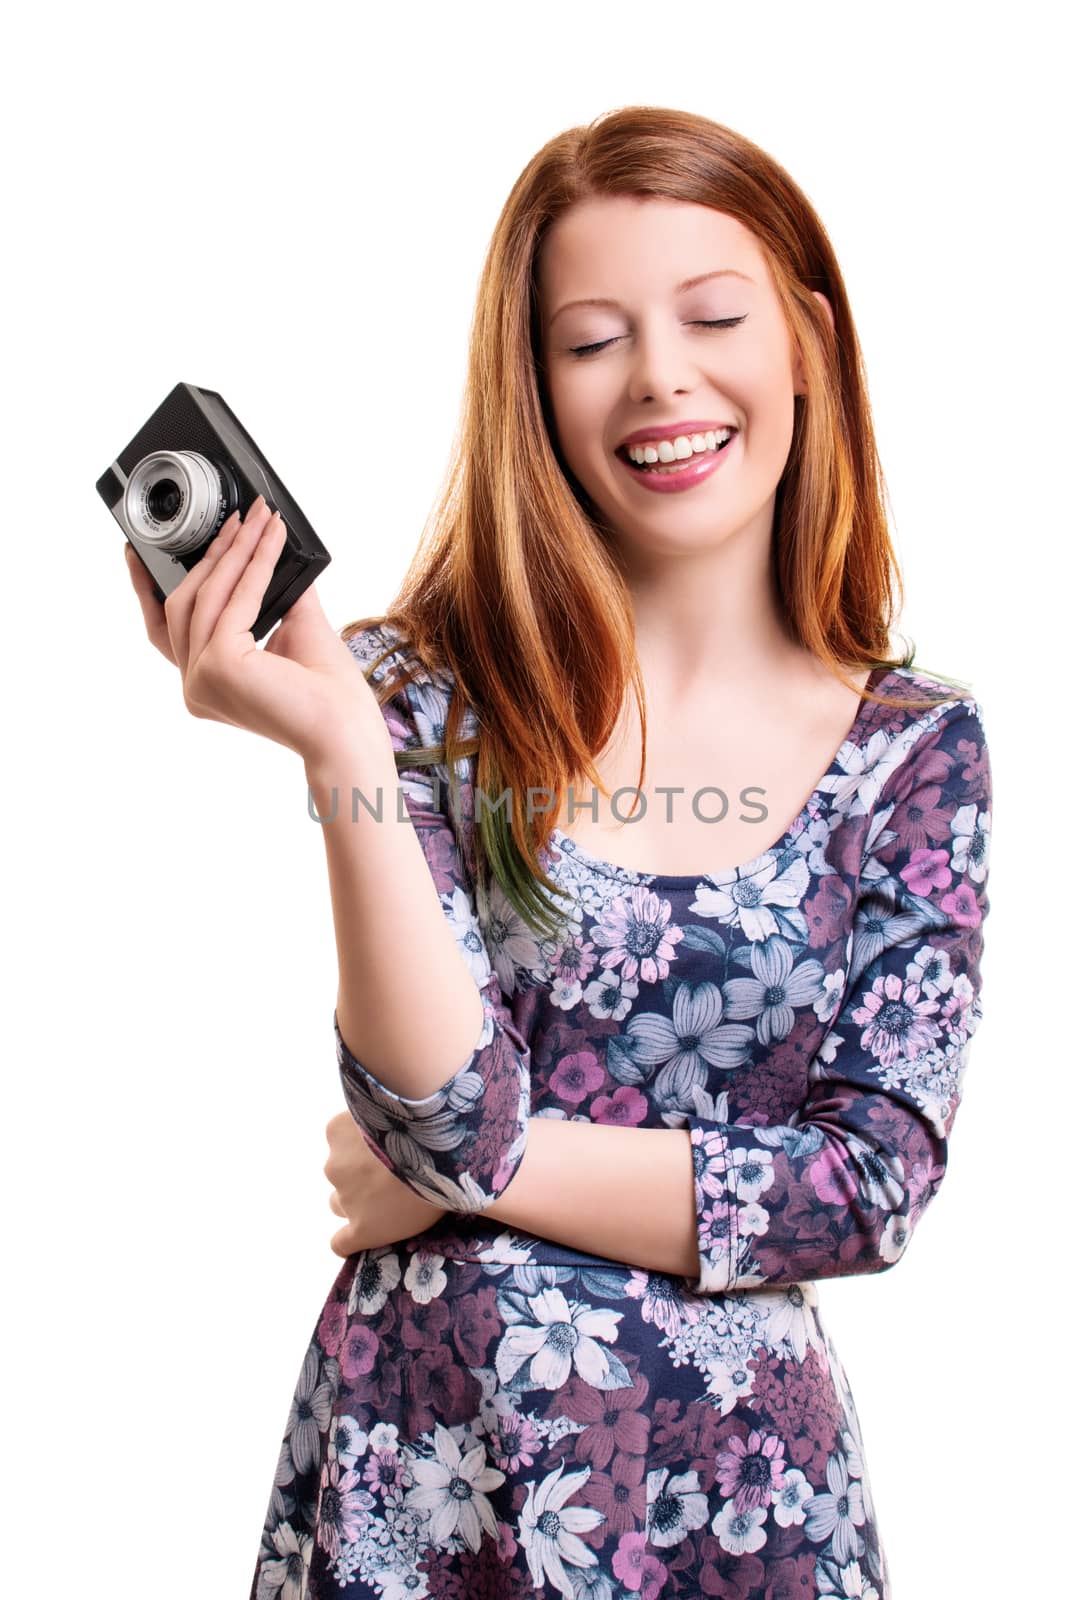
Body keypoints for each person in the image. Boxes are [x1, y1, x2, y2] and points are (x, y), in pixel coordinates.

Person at [126, 106, 992, 1600]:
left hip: (737, 1497)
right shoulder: (414, 701)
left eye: (712, 315)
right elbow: (439, 1105)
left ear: (806, 343)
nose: (660, 374)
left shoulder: (913, 751)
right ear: (531, 388)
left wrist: (487, 1176)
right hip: (426, 1461)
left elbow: (868, 1185)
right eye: (591, 341)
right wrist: (342, 750)